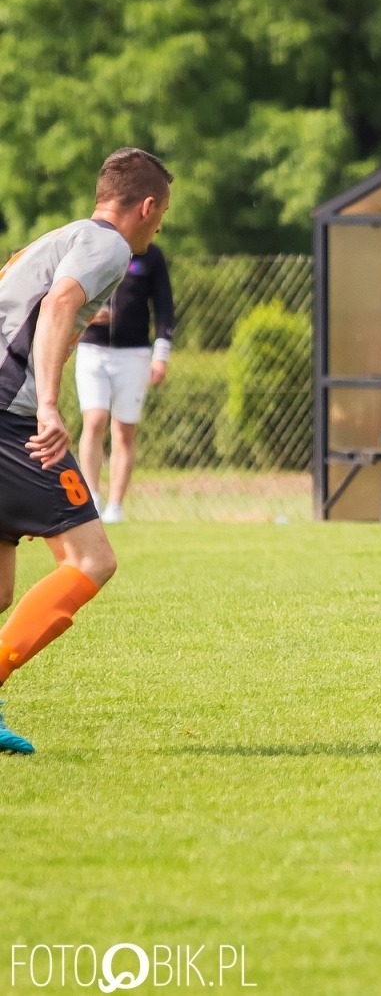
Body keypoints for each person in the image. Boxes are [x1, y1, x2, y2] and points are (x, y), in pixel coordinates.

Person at [0, 148, 171, 754]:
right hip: (8, 418)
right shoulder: (109, 246)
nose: (157, 229)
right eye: (161, 216)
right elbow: (56, 308)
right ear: (146, 207)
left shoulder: (64, 236)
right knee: (91, 558)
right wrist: (49, 406)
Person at [74, 240, 175, 522]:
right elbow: (70, 296)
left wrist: (161, 354)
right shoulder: (95, 247)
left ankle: (115, 506)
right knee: (94, 420)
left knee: (124, 430)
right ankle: (91, 497)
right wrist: (91, 315)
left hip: (134, 352)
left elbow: (164, 306)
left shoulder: (152, 255)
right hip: (93, 349)